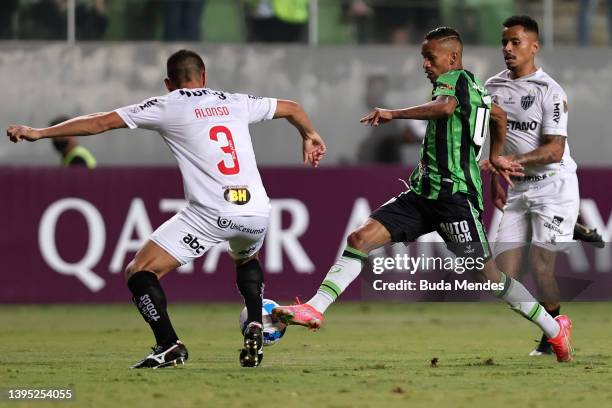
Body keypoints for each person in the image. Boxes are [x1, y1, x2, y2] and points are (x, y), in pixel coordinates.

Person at [6, 49, 326, 369]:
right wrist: (309, 135)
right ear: (204, 77)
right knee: (246, 258)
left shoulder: (166, 105)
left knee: (140, 271)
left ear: (168, 84)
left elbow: (100, 123)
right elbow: (293, 108)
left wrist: (40, 132)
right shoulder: (236, 100)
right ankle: (255, 322)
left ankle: (169, 345)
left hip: (211, 212)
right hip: (257, 210)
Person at [273, 27, 574, 362]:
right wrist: (495, 161)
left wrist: (394, 113)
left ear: (452, 57)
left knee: (488, 277)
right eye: (423, 58)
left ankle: (554, 329)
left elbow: (445, 108)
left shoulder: (455, 79)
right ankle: (315, 309)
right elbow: (498, 118)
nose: (425, 65)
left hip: (454, 198)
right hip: (421, 193)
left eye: (430, 57)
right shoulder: (477, 88)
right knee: (359, 239)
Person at [481, 15, 586, 357]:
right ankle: (556, 327)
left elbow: (555, 149)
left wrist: (511, 163)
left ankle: (550, 338)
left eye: (515, 42)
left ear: (534, 46)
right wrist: (500, 176)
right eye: (504, 43)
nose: (507, 49)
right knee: (500, 278)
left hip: (554, 186)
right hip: (519, 189)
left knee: (542, 267)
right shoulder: (492, 87)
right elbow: (498, 137)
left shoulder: (550, 91)